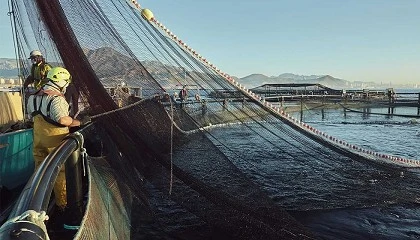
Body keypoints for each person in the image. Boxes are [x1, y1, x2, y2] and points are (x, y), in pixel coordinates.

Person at [26, 67, 88, 221]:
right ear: (61, 82)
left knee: (39, 171)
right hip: (55, 141)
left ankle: (35, 206)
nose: (66, 85)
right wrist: (79, 122)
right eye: (66, 82)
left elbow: (31, 116)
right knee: (60, 172)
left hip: (38, 139)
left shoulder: (33, 96)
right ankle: (63, 205)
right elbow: (62, 120)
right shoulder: (57, 98)